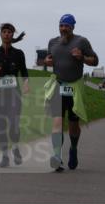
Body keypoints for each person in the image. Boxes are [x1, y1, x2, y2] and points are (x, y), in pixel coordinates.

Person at [42, 14, 98, 171]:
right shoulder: (52, 42)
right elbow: (48, 60)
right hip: (58, 86)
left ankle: (73, 148)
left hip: (74, 88)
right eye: (61, 25)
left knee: (73, 125)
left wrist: (82, 57)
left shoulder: (81, 41)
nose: (63, 28)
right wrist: (46, 62)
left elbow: (95, 61)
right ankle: (57, 156)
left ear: (73, 27)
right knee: (57, 123)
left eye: (67, 26)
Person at [0, 23, 30, 167]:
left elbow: (24, 72)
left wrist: (26, 83)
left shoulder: (19, 53)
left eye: (9, 32)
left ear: (12, 34)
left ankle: (15, 148)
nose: (7, 34)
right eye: (4, 32)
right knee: (1, 126)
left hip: (14, 96)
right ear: (0, 34)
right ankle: (4, 156)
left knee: (14, 124)